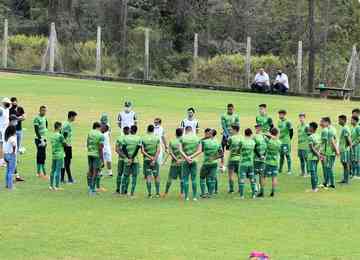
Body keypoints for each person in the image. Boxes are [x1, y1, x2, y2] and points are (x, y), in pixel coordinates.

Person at [179, 126, 202, 201]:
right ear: (192, 130)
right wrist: (191, 157)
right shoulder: (197, 138)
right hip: (194, 160)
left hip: (185, 161)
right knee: (194, 179)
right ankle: (195, 197)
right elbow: (199, 150)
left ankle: (186, 197)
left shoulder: (182, 138)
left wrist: (187, 157)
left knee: (185, 179)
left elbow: (180, 150)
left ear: (185, 130)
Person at [199, 128, 223, 198]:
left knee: (202, 177)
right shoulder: (217, 142)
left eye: (209, 132)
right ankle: (210, 194)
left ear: (210, 134)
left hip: (206, 163)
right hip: (214, 163)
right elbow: (221, 154)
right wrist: (214, 158)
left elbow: (201, 150)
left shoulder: (204, 142)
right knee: (212, 179)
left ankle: (203, 193)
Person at [258, 128, 281, 197]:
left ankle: (262, 192)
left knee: (263, 176)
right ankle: (273, 192)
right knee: (274, 177)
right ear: (277, 134)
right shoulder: (279, 142)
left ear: (271, 133)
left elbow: (263, 136)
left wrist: (266, 134)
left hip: (267, 162)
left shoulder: (268, 141)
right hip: (275, 162)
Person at [121, 125, 142, 197]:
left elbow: (123, 148)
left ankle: (122, 192)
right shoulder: (139, 138)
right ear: (136, 130)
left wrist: (128, 157)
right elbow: (137, 149)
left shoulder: (125, 138)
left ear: (130, 130)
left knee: (125, 175)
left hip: (127, 160)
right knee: (134, 176)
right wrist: (132, 157)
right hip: (135, 160)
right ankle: (132, 193)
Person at [141, 124, 161, 198]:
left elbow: (142, 151)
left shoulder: (143, 138)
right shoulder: (156, 138)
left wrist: (149, 157)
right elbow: (158, 150)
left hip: (147, 160)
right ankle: (157, 193)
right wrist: (154, 159)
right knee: (156, 176)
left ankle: (149, 194)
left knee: (148, 177)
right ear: (153, 130)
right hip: (155, 160)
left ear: (147, 129)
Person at [164, 128, 184, 197]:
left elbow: (170, 152)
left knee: (170, 179)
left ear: (175, 133)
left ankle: (165, 193)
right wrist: (180, 160)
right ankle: (182, 193)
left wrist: (176, 160)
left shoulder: (172, 141)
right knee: (182, 179)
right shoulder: (183, 141)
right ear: (182, 133)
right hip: (182, 163)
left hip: (174, 163)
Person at [9, 97, 25, 182]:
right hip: (13, 135)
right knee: (12, 156)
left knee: (14, 155)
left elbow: (23, 117)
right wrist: (19, 118)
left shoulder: (19, 108)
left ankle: (16, 175)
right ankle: (13, 177)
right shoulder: (10, 110)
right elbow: (18, 118)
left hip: (17, 132)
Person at [86, 122, 104, 195]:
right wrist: (102, 159)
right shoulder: (100, 135)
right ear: (98, 127)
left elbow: (87, 143)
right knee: (95, 173)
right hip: (96, 155)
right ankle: (92, 190)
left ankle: (89, 187)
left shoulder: (90, 133)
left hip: (89, 153)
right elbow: (100, 148)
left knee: (90, 171)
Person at [321, 117, 339, 188]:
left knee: (329, 167)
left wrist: (336, 151)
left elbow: (332, 141)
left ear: (327, 122)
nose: (321, 123)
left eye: (322, 122)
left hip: (330, 152)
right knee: (328, 167)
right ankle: (327, 182)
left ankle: (332, 183)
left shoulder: (330, 130)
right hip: (330, 151)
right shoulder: (331, 129)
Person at [238, 128, 257, 199]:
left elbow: (238, 150)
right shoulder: (253, 142)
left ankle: (242, 195)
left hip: (243, 163)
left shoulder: (242, 142)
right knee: (252, 179)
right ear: (251, 134)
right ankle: (254, 195)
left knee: (242, 179)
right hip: (251, 163)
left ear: (244, 133)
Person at [60, 111, 77, 184]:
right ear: (71, 116)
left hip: (64, 145)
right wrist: (64, 144)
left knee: (64, 162)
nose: (75, 118)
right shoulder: (68, 125)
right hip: (67, 145)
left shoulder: (64, 123)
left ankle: (62, 178)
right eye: (74, 117)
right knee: (67, 162)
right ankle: (69, 179)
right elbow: (65, 135)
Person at [33, 105, 49, 179]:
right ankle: (41, 172)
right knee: (40, 155)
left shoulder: (45, 118)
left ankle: (40, 172)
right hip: (39, 139)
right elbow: (36, 130)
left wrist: (45, 138)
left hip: (44, 138)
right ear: (39, 110)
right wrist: (41, 139)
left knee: (43, 155)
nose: (44, 112)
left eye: (45, 110)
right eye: (42, 110)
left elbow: (46, 126)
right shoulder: (37, 118)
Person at [49, 122, 66, 191]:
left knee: (53, 170)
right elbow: (65, 144)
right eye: (61, 127)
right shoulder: (60, 136)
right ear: (59, 127)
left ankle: (51, 185)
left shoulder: (52, 135)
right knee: (58, 171)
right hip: (60, 155)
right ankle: (57, 186)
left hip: (54, 154)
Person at [307, 122, 322, 192]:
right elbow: (319, 146)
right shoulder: (318, 136)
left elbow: (311, 148)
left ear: (312, 128)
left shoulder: (310, 137)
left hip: (312, 157)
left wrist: (317, 154)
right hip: (317, 157)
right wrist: (319, 154)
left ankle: (314, 188)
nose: (308, 128)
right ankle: (316, 187)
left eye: (309, 127)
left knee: (313, 172)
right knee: (315, 171)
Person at [227, 124, 242, 193]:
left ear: (235, 130)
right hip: (239, 159)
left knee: (231, 175)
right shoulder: (242, 138)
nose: (230, 130)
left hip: (232, 159)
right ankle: (240, 188)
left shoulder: (230, 138)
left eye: (231, 129)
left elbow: (228, 147)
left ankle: (231, 189)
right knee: (239, 175)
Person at [115, 126, 130, 194]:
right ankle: (125, 190)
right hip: (128, 160)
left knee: (119, 174)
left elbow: (117, 149)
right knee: (127, 175)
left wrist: (123, 157)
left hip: (121, 159)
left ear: (123, 131)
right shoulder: (131, 139)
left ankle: (118, 189)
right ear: (128, 131)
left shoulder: (119, 138)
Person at [277, 110, 293, 175]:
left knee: (287, 155)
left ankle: (289, 170)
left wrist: (289, 139)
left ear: (284, 115)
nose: (279, 116)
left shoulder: (288, 122)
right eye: (279, 114)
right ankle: (280, 169)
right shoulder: (279, 122)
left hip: (286, 141)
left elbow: (291, 131)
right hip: (280, 141)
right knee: (281, 155)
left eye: (281, 114)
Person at [338, 115, 352, 184]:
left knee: (345, 164)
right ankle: (345, 179)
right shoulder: (344, 128)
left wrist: (348, 147)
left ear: (343, 120)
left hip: (344, 149)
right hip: (343, 149)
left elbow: (348, 139)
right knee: (344, 164)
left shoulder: (345, 128)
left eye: (339, 120)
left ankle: (346, 180)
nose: (338, 121)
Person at [253, 124, 267, 192]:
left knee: (262, 174)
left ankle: (261, 189)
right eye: (257, 128)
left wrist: (264, 155)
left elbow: (267, 146)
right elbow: (254, 148)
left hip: (263, 158)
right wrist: (259, 156)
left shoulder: (264, 136)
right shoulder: (254, 137)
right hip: (256, 158)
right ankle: (256, 186)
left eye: (259, 128)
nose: (258, 129)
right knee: (255, 173)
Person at [3, 125, 17, 190]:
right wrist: (14, 152)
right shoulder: (12, 138)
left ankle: (7, 184)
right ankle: (10, 186)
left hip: (6, 155)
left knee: (8, 170)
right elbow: (14, 145)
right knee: (11, 171)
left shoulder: (7, 137)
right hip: (11, 155)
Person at [0, 97, 11, 167]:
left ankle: (2, 160)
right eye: (8, 103)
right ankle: (1, 161)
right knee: (1, 146)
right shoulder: (3, 110)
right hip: (1, 131)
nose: (8, 104)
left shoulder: (5, 110)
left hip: (3, 131)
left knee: (3, 146)